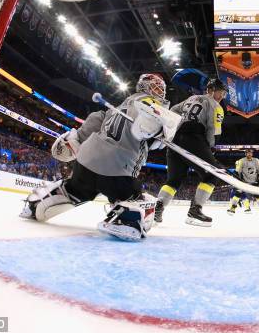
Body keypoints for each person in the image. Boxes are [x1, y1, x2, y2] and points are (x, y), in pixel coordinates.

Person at [20, 73, 170, 240]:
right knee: (141, 199)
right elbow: (153, 132)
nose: (160, 89)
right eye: (155, 85)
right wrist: (164, 132)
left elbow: (96, 119)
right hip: (118, 169)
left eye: (161, 86)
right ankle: (126, 221)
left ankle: (37, 204)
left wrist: (77, 138)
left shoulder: (120, 106)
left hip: (85, 162)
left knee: (74, 190)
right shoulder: (154, 105)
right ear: (144, 87)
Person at [154, 78, 227, 227]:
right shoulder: (216, 106)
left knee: (174, 180)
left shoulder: (192, 98)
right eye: (221, 92)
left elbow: (173, 110)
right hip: (194, 138)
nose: (222, 96)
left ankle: (156, 210)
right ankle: (195, 211)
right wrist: (209, 148)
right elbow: (213, 131)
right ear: (212, 90)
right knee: (212, 174)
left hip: (175, 138)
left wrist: (174, 125)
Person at [227, 149, 259, 215]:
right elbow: (237, 172)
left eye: (250, 153)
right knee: (237, 194)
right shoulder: (242, 161)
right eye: (247, 153)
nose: (249, 154)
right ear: (245, 154)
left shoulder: (256, 160)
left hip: (254, 182)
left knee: (258, 195)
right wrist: (238, 180)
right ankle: (232, 208)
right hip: (244, 182)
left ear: (252, 154)